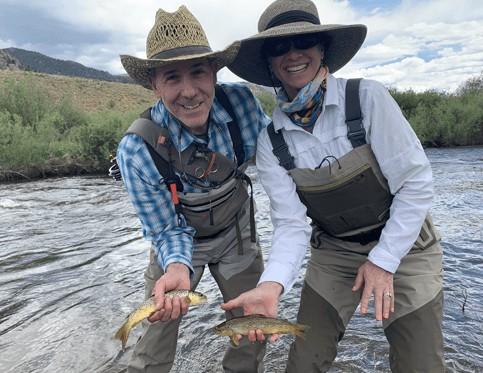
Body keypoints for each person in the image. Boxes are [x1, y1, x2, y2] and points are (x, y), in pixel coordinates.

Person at [222, 0, 445, 372]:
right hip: (335, 253)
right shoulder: (271, 139)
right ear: (269, 63)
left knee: (420, 365)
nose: (293, 54)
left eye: (304, 41)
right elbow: (292, 225)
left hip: (406, 249)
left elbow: (416, 186)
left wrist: (383, 261)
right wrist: (271, 285)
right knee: (303, 362)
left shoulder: (368, 98)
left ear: (322, 48)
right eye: (279, 47)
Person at [116, 5, 270, 373]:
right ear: (154, 84)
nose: (189, 92)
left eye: (198, 72)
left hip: (237, 236)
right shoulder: (137, 149)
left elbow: (284, 163)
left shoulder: (243, 105)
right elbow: (167, 229)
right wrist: (177, 266)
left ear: (215, 73)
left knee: (252, 329)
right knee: (154, 341)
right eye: (172, 77)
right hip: (177, 247)